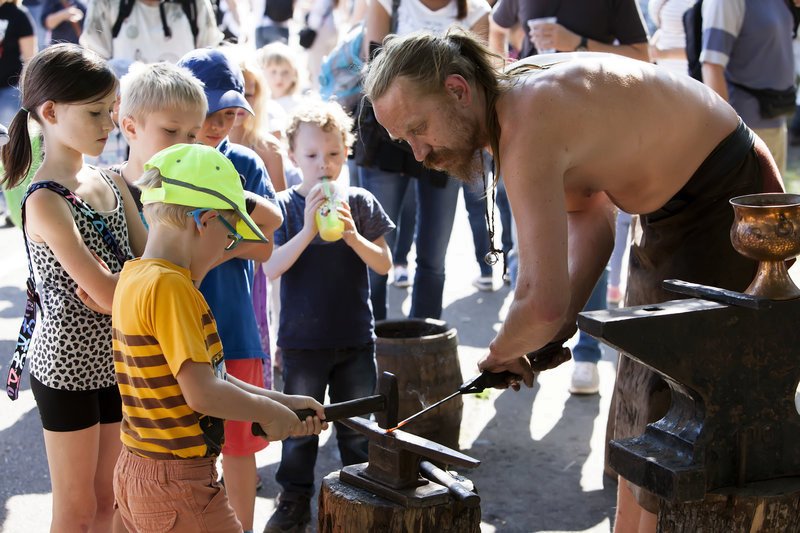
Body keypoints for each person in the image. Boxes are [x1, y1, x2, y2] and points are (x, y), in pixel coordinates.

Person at [363, 29, 785, 532]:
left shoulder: (529, 115)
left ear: (458, 90)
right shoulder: (513, 104)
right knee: (637, 393)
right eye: (403, 140)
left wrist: (507, 347)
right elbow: (591, 221)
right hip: (674, 209)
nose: (418, 152)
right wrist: (556, 328)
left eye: (418, 129)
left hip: (726, 194)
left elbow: (538, 301)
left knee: (674, 409)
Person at [111, 142, 327, 532]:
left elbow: (209, 377)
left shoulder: (134, 276)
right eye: (229, 237)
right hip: (178, 484)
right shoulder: (172, 288)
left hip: (137, 468)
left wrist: (281, 401)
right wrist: (268, 414)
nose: (228, 248)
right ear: (204, 220)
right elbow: (202, 393)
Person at [1, 43, 147, 531]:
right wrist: (126, 287)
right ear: (50, 111)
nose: (110, 123)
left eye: (111, 110)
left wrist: (123, 287)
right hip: (65, 367)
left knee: (110, 498)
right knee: (76, 510)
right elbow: (118, 291)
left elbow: (151, 271)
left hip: (117, 356)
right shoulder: (45, 199)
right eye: (96, 113)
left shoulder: (112, 180)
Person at [262, 100, 394, 532]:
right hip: (302, 342)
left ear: (347, 153)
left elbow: (383, 264)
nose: (324, 166)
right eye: (313, 155)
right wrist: (305, 230)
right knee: (299, 428)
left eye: (334, 154)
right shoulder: (282, 205)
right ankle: (294, 497)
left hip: (355, 336)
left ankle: (360, 491)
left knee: (357, 427)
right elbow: (271, 266)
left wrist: (352, 234)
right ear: (293, 156)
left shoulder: (359, 201)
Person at [177, 47, 285, 533]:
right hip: (178, 332)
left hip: (237, 329)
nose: (219, 124)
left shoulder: (244, 163)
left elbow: (264, 248)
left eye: (229, 113)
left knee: (241, 448)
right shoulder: (168, 163)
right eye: (209, 113)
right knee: (184, 449)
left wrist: (211, 249)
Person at [358, 0, 490, 321]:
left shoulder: (477, 12)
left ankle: (423, 341)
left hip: (443, 138)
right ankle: (371, 340)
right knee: (377, 244)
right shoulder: (387, 3)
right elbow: (372, 68)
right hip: (388, 137)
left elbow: (476, 84)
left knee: (432, 257)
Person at [699, 0, 797, 175]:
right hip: (747, 129)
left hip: (777, 122)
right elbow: (712, 65)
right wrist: (730, 136)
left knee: (776, 201)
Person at [115, 61, 208, 217]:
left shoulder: (198, 193)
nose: (184, 146)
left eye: (192, 135)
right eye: (170, 131)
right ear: (131, 127)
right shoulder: (104, 191)